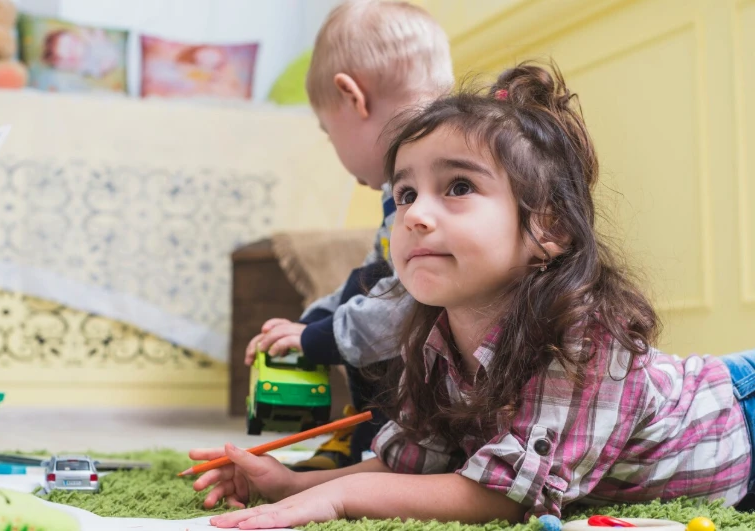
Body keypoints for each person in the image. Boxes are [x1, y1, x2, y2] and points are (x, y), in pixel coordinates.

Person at [196, 62, 755, 527]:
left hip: (739, 418)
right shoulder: (434, 339)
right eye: (407, 192)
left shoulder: (582, 337)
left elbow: (505, 495)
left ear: (549, 230)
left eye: (458, 187)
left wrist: (337, 499)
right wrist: (296, 482)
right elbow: (416, 466)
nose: (414, 215)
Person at [243, 0, 453, 470]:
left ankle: (378, 445)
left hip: (464, 371)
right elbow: (377, 275)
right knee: (362, 284)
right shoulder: (399, 192)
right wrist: (316, 316)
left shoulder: (429, 196)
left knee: (366, 324)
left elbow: (405, 304)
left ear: (353, 98)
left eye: (327, 129)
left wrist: (318, 337)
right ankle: (365, 434)